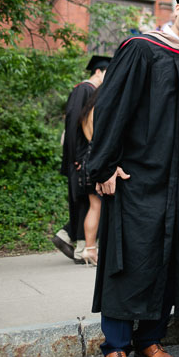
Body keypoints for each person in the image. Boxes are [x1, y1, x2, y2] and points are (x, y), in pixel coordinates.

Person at [86, 0, 179, 357]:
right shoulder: (140, 48)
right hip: (137, 177)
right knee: (128, 259)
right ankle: (116, 344)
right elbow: (112, 108)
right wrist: (105, 166)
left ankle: (150, 339)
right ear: (176, 9)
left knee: (168, 257)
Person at [52, 55, 110, 263]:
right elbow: (72, 127)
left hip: (84, 156)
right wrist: (75, 156)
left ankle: (69, 237)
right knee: (89, 204)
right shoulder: (84, 90)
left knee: (88, 204)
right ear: (98, 71)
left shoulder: (92, 93)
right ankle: (84, 247)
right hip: (82, 157)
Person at [78, 87, 103, 266]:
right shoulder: (99, 110)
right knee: (97, 207)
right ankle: (91, 249)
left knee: (94, 206)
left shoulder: (87, 112)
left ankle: (89, 248)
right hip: (97, 157)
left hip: (87, 156)